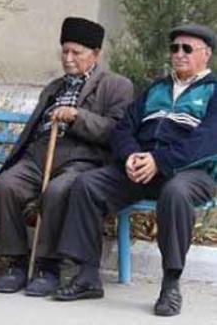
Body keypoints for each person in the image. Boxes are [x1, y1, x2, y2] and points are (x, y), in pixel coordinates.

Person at [54, 24, 217, 317]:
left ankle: (170, 285)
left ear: (206, 55)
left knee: (176, 193)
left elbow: (205, 142)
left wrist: (159, 160)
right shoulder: (156, 88)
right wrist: (130, 155)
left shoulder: (213, 91)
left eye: (187, 49)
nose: (179, 54)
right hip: (142, 168)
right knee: (88, 184)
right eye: (175, 48)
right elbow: (124, 128)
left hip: (191, 172)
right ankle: (87, 275)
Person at [0, 17, 133, 296]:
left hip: (82, 159)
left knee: (58, 191)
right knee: (6, 185)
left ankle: (48, 266)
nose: (68, 59)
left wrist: (78, 116)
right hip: (40, 154)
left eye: (76, 52)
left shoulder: (116, 85)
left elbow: (116, 131)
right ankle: (17, 262)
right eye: (64, 51)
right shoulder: (54, 87)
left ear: (95, 54)